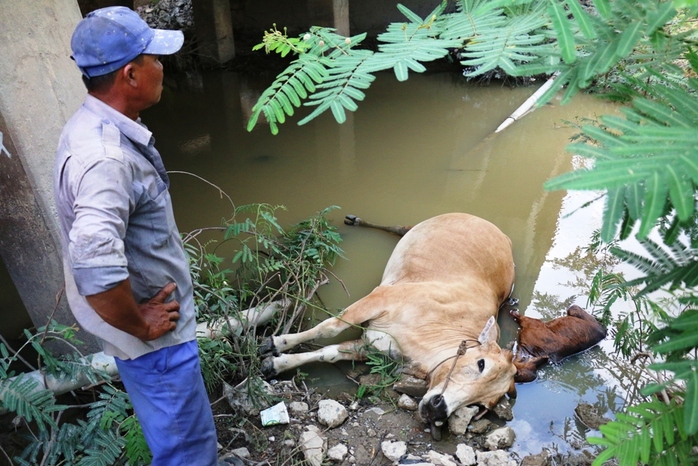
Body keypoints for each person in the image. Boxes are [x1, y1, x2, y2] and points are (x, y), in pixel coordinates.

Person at [54, 7, 231, 465]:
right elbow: (94, 262)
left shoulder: (89, 127)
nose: (163, 67)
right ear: (131, 75)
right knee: (184, 447)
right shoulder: (107, 159)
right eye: (156, 58)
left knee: (175, 431)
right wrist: (139, 324)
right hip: (155, 340)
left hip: (147, 329)